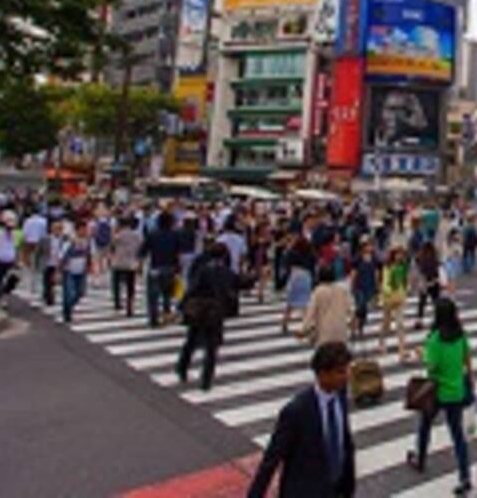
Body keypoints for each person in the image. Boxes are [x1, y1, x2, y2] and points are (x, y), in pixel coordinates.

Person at [248, 341, 356, 498]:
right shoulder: (297, 411)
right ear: (322, 374)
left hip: (336, 489)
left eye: (347, 370)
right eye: (340, 372)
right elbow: (271, 459)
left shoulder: (340, 396)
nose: (347, 376)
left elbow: (344, 440)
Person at [405, 298, 474, 495]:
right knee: (458, 436)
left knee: (425, 425)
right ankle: (465, 476)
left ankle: (420, 459)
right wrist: (471, 378)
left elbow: (432, 366)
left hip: (435, 392)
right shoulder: (461, 335)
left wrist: (422, 354)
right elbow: (467, 358)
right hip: (456, 391)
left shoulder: (435, 339)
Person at [176, 243, 237, 391]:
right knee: (212, 347)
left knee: (191, 340)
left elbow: (192, 289)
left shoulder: (204, 270)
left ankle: (182, 367)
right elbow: (238, 284)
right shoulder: (227, 272)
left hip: (199, 309)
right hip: (216, 311)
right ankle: (206, 381)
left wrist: (182, 304)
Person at [139, 212, 180, 328]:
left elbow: (143, 251)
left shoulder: (152, 234)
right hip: (170, 267)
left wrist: (140, 266)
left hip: (155, 267)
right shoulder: (175, 234)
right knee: (167, 294)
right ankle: (166, 314)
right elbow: (179, 252)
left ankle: (154, 319)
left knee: (153, 296)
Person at [299, 265, 355, 348]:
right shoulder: (342, 290)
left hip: (324, 334)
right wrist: (353, 321)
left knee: (324, 358)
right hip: (341, 332)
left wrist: (303, 329)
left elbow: (310, 313)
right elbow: (351, 308)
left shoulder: (318, 291)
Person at [379, 246, 410, 360]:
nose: (400, 256)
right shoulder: (388, 267)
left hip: (400, 298)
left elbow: (405, 281)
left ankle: (402, 350)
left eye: (401, 254)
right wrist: (389, 292)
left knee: (400, 324)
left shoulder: (403, 266)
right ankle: (382, 341)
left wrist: (405, 290)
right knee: (386, 323)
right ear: (393, 255)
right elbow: (385, 283)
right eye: (398, 254)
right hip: (389, 298)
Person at [282, 235, 317, 335]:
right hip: (306, 277)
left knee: (290, 303)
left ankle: (285, 322)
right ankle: (307, 324)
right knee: (306, 303)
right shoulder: (311, 253)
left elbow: (286, 265)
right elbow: (313, 267)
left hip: (295, 276)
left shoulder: (291, 253)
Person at [59, 222, 91, 323]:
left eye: (86, 229)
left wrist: (89, 266)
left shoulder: (88, 241)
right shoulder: (69, 241)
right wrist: (59, 270)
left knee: (80, 292)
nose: (85, 232)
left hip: (81, 270)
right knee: (69, 293)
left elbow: (89, 254)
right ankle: (67, 313)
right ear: (77, 230)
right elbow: (62, 256)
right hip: (69, 270)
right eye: (83, 229)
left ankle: (69, 307)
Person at [111, 215, 142, 317]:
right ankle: (130, 307)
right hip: (131, 263)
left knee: (116, 284)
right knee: (130, 286)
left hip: (118, 262)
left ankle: (117, 302)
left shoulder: (118, 235)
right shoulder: (137, 235)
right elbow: (140, 249)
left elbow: (112, 245)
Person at [0, 210, 20, 308]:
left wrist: (17, 259)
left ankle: (0, 297)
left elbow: (17, 247)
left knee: (7, 280)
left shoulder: (17, 233)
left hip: (6, 259)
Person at [350, 243, 379, 338]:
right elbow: (354, 273)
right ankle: (354, 327)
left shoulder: (374, 258)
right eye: (368, 245)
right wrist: (352, 286)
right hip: (359, 286)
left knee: (365, 309)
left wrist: (376, 286)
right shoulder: (357, 259)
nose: (370, 247)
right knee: (360, 307)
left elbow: (376, 272)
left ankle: (360, 328)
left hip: (369, 286)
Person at [21, 206, 48, 297]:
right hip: (40, 242)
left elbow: (24, 234)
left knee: (30, 262)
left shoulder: (27, 221)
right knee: (39, 263)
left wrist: (24, 247)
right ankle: (38, 283)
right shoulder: (43, 221)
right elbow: (44, 234)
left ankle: (31, 283)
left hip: (29, 242)